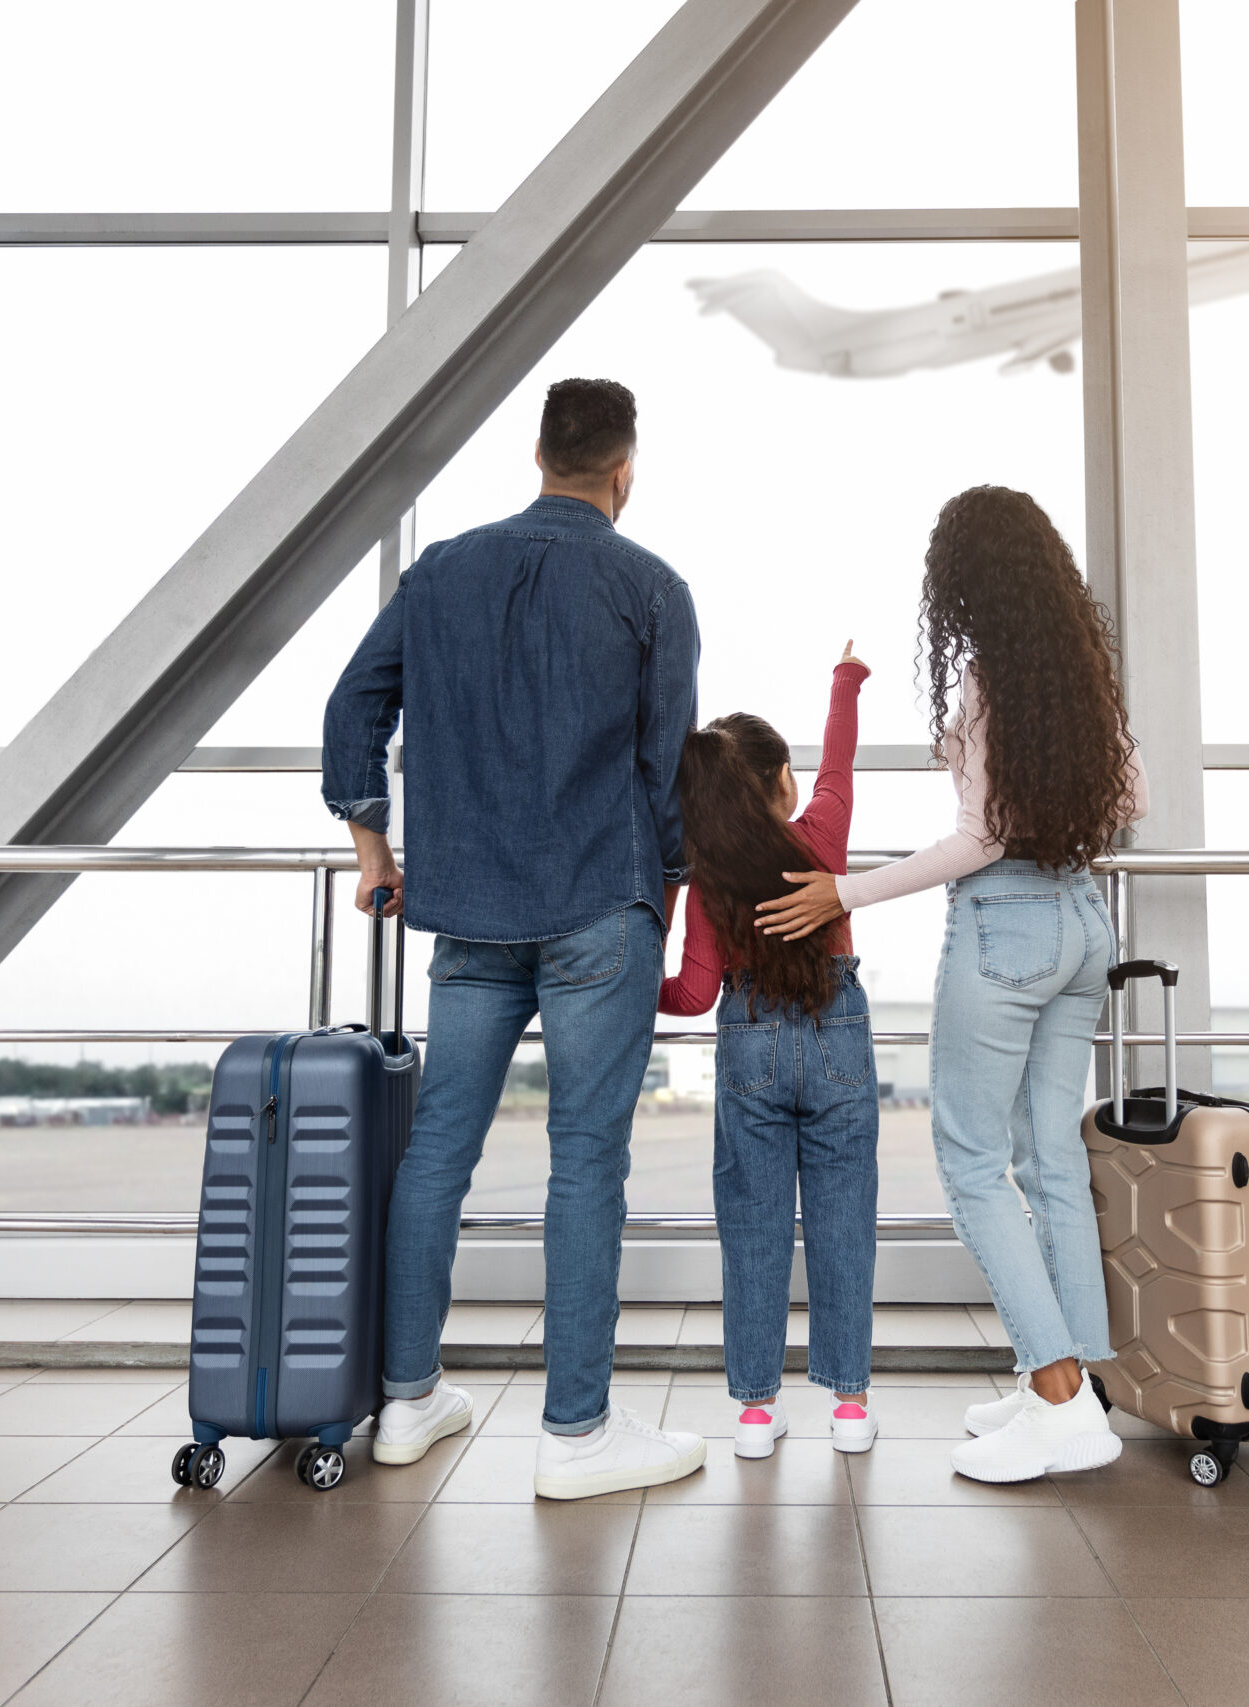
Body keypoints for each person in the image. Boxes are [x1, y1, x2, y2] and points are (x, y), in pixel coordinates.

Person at [321, 377, 708, 1500]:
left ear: (537, 451)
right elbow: (664, 767)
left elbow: (355, 705)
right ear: (623, 470)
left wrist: (372, 847)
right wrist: (666, 891)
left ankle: (404, 1402)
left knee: (439, 1150)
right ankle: (575, 1434)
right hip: (600, 899)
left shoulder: (440, 569)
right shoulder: (651, 587)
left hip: (469, 906)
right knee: (585, 1160)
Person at [758, 486, 1147, 1484]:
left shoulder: (984, 683)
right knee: (1049, 1158)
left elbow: (978, 839)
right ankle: (1062, 1383)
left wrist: (845, 890)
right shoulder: (1082, 683)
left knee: (972, 1160)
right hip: (1080, 917)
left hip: (1005, 927)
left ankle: (1060, 1403)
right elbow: (1130, 801)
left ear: (965, 586)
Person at [661, 645, 880, 1460]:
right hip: (836, 1040)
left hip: (749, 1046)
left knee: (752, 1228)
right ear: (783, 778)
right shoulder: (820, 832)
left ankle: (756, 1413)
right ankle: (850, 1407)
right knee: (842, 1222)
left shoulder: (711, 879)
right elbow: (841, 760)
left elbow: (688, 995)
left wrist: (630, 984)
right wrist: (845, 680)